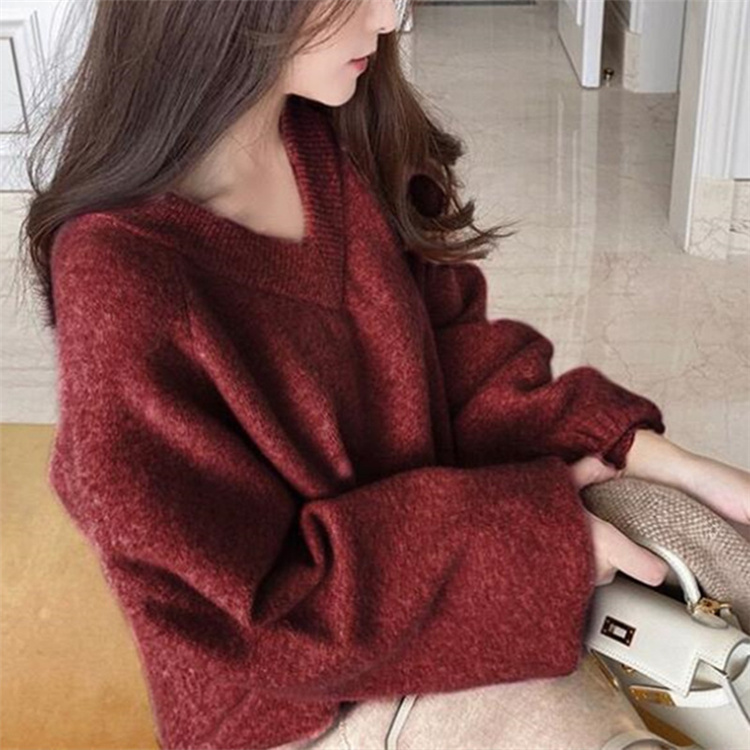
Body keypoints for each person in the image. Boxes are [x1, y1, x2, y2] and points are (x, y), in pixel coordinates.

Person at [19, 1, 749, 749]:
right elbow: (258, 613)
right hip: (295, 698)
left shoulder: (343, 138)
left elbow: (453, 362)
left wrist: (661, 460)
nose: (389, 17)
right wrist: (537, 546)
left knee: (698, 536)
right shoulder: (121, 279)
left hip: (440, 556)